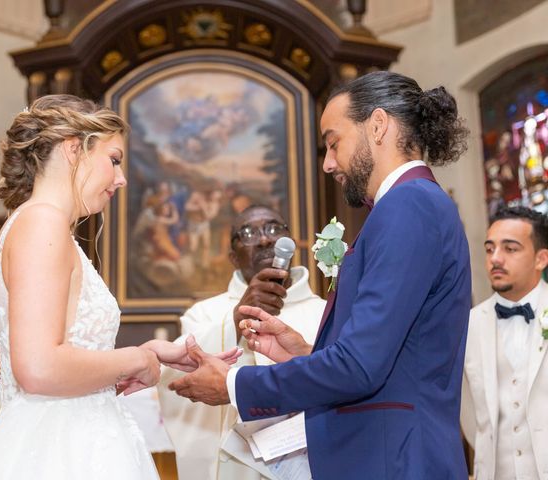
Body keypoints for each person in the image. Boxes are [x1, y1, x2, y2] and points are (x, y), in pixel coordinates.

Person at [169, 71, 472, 479]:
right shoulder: (412, 204)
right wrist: (306, 354)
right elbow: (393, 357)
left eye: (334, 142)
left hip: (394, 459)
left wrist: (236, 385)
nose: (329, 163)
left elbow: (360, 368)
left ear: (378, 125)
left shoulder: (408, 206)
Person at [0, 94, 240, 479]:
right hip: (62, 451)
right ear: (74, 150)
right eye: (113, 160)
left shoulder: (27, 226)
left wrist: (149, 352)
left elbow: (52, 354)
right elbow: (38, 368)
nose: (121, 179)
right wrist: (137, 361)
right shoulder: (43, 224)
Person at [157, 205, 325, 480]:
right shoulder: (205, 314)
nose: (263, 239)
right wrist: (233, 322)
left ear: (290, 242)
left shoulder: (323, 312)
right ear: (233, 257)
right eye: (248, 232)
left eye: (274, 229)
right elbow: (176, 381)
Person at [461, 206, 548, 479]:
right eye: (489, 249)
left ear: (541, 258)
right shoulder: (469, 325)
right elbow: (466, 410)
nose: (495, 259)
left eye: (510, 249)